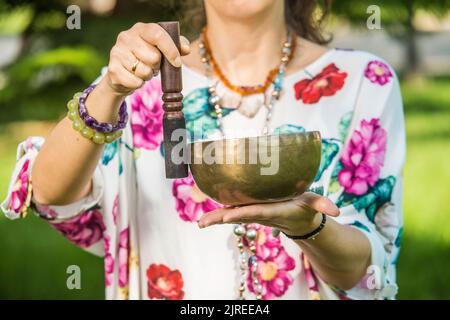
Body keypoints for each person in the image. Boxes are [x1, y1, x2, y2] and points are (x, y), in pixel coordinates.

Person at [1, 0, 405, 300]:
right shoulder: (139, 81)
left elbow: (366, 272)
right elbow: (52, 196)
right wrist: (108, 91)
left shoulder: (364, 84)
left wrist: (309, 228)